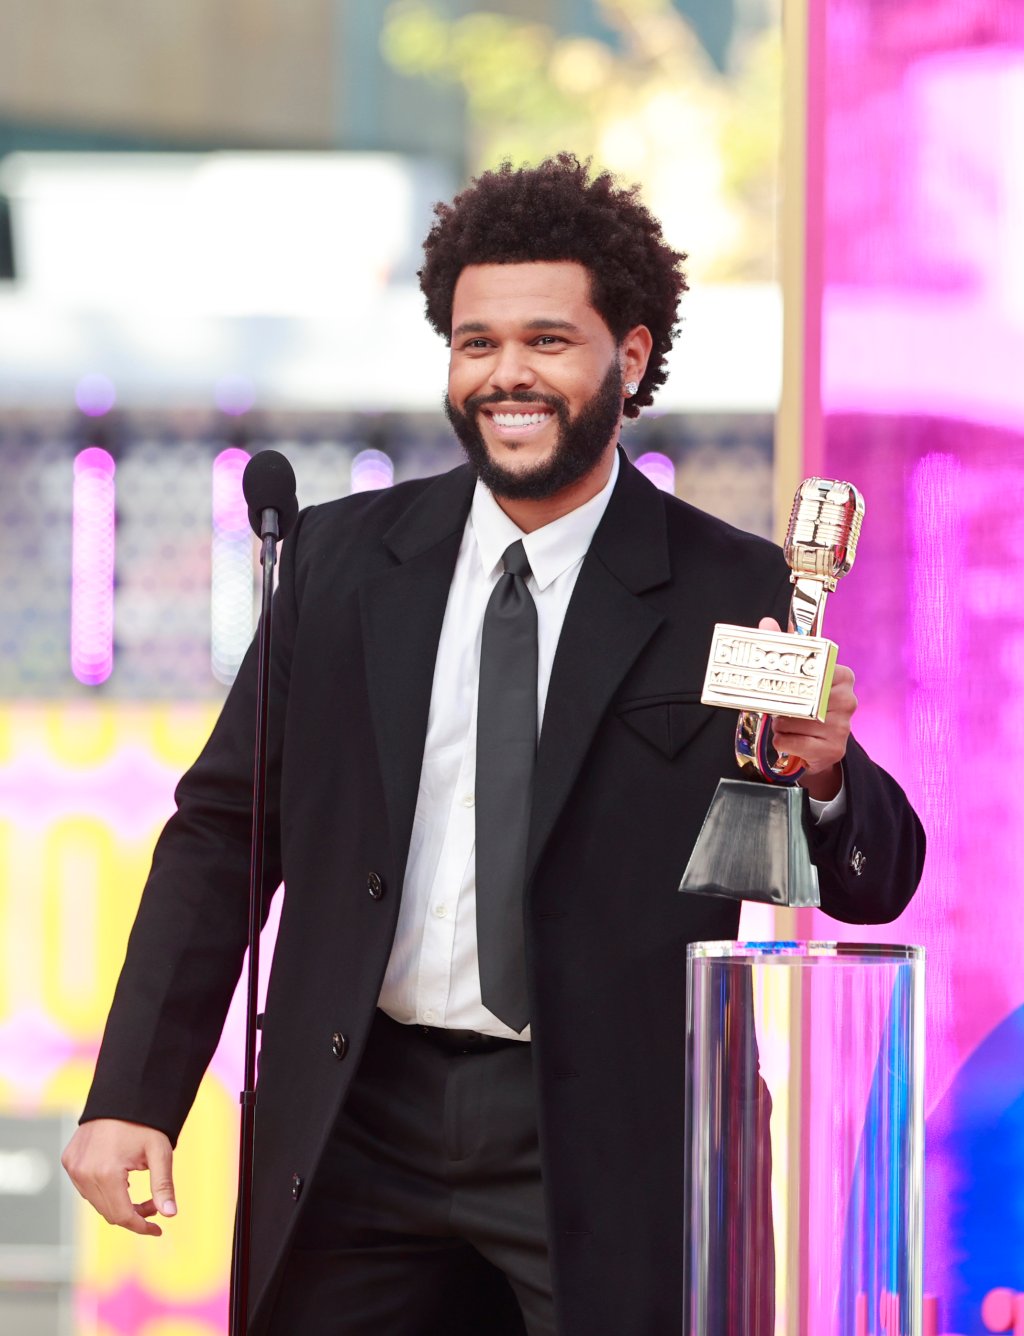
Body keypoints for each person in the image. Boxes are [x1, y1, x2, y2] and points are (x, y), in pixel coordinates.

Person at [62, 154, 925, 1335]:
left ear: (627, 357)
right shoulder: (338, 563)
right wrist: (133, 1096)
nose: (507, 374)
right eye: (476, 343)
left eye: (546, 341)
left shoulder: (731, 582)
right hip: (356, 1112)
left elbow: (876, 881)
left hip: (620, 1132)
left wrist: (823, 770)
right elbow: (223, 835)